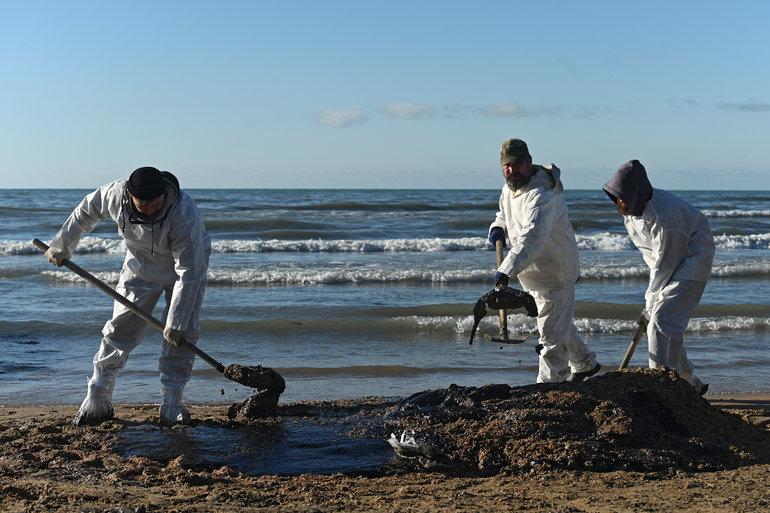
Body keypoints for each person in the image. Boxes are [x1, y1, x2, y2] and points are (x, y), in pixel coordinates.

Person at [44, 166, 211, 426]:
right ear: (130, 196)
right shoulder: (114, 194)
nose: (151, 208)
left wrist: (175, 323)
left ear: (164, 195)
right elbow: (86, 211)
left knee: (182, 335)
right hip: (140, 265)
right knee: (119, 328)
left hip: (185, 269)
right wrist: (61, 246)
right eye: (144, 204)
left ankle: (171, 404)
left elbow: (189, 273)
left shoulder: (184, 214)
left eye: (156, 203)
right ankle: (98, 397)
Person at [488, 138, 600, 383]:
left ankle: (551, 386)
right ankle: (584, 363)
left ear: (529, 163)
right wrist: (498, 227)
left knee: (549, 336)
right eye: (506, 165)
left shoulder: (543, 195)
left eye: (516, 164)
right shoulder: (509, 188)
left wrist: (506, 269)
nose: (511, 170)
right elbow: (503, 215)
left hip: (555, 272)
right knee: (556, 321)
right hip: (533, 273)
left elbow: (532, 238)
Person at [603, 160, 714, 394]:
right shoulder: (631, 209)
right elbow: (653, 257)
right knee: (667, 322)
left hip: (693, 258)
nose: (618, 202)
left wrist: (651, 302)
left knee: (662, 322)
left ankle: (663, 388)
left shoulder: (665, 218)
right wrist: (652, 301)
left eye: (621, 196)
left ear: (635, 193)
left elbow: (666, 263)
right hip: (670, 259)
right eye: (616, 197)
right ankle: (688, 383)